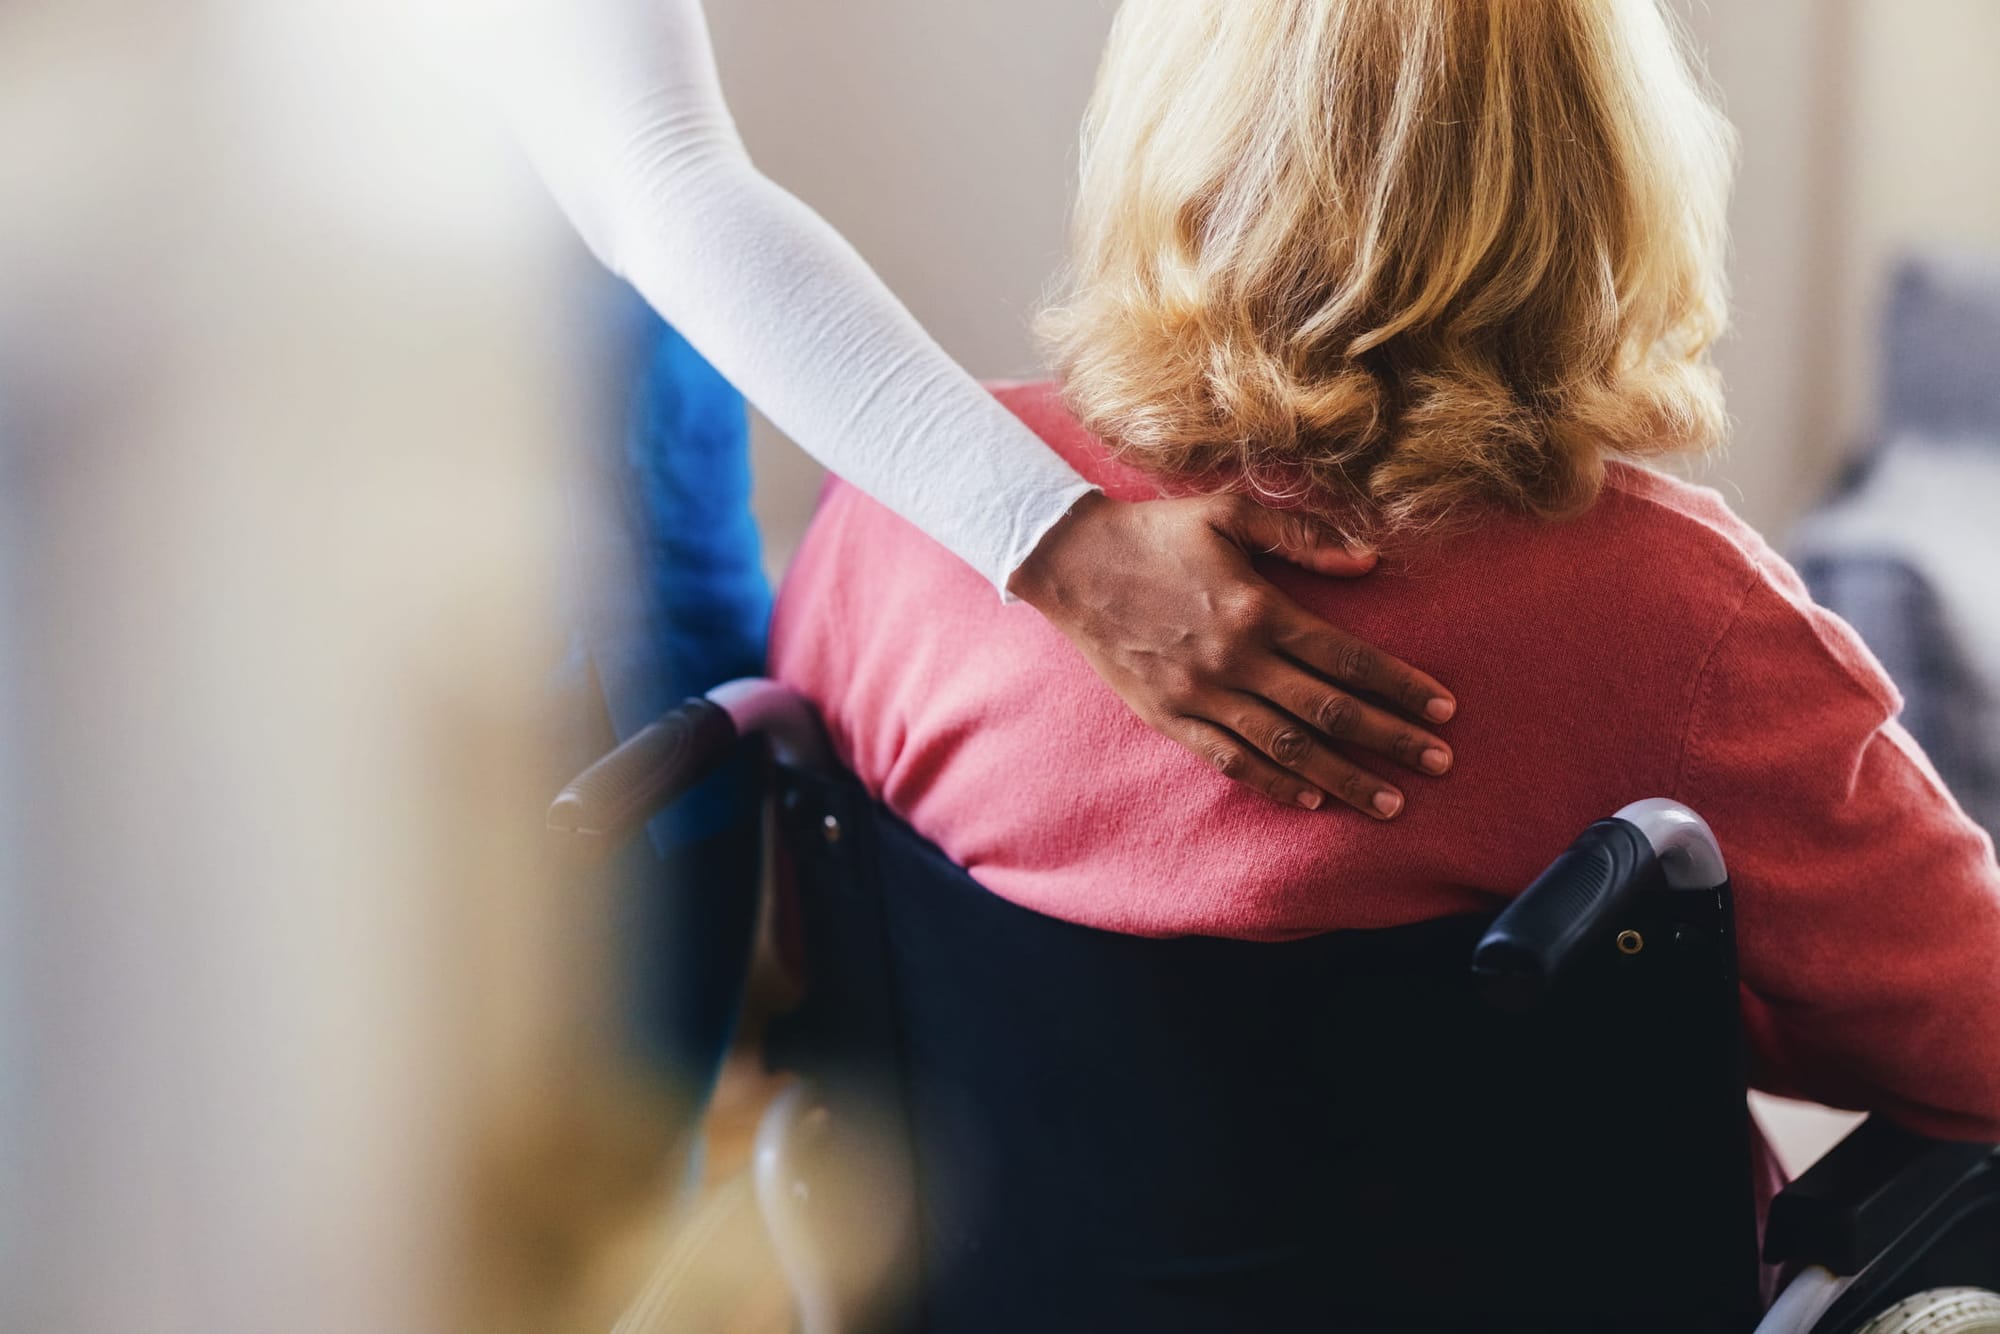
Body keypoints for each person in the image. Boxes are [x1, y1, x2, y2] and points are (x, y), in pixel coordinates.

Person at [769, 0, 2000, 1141]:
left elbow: (822, 915)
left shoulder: (917, 508)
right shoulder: (1684, 619)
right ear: (1601, 174)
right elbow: (1973, 1047)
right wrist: (1673, 991)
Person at [448, 0, 1457, 820]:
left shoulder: (868, 550)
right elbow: (650, 170)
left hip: (649, 435)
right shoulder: (1619, 565)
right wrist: (1062, 550)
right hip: (523, 491)